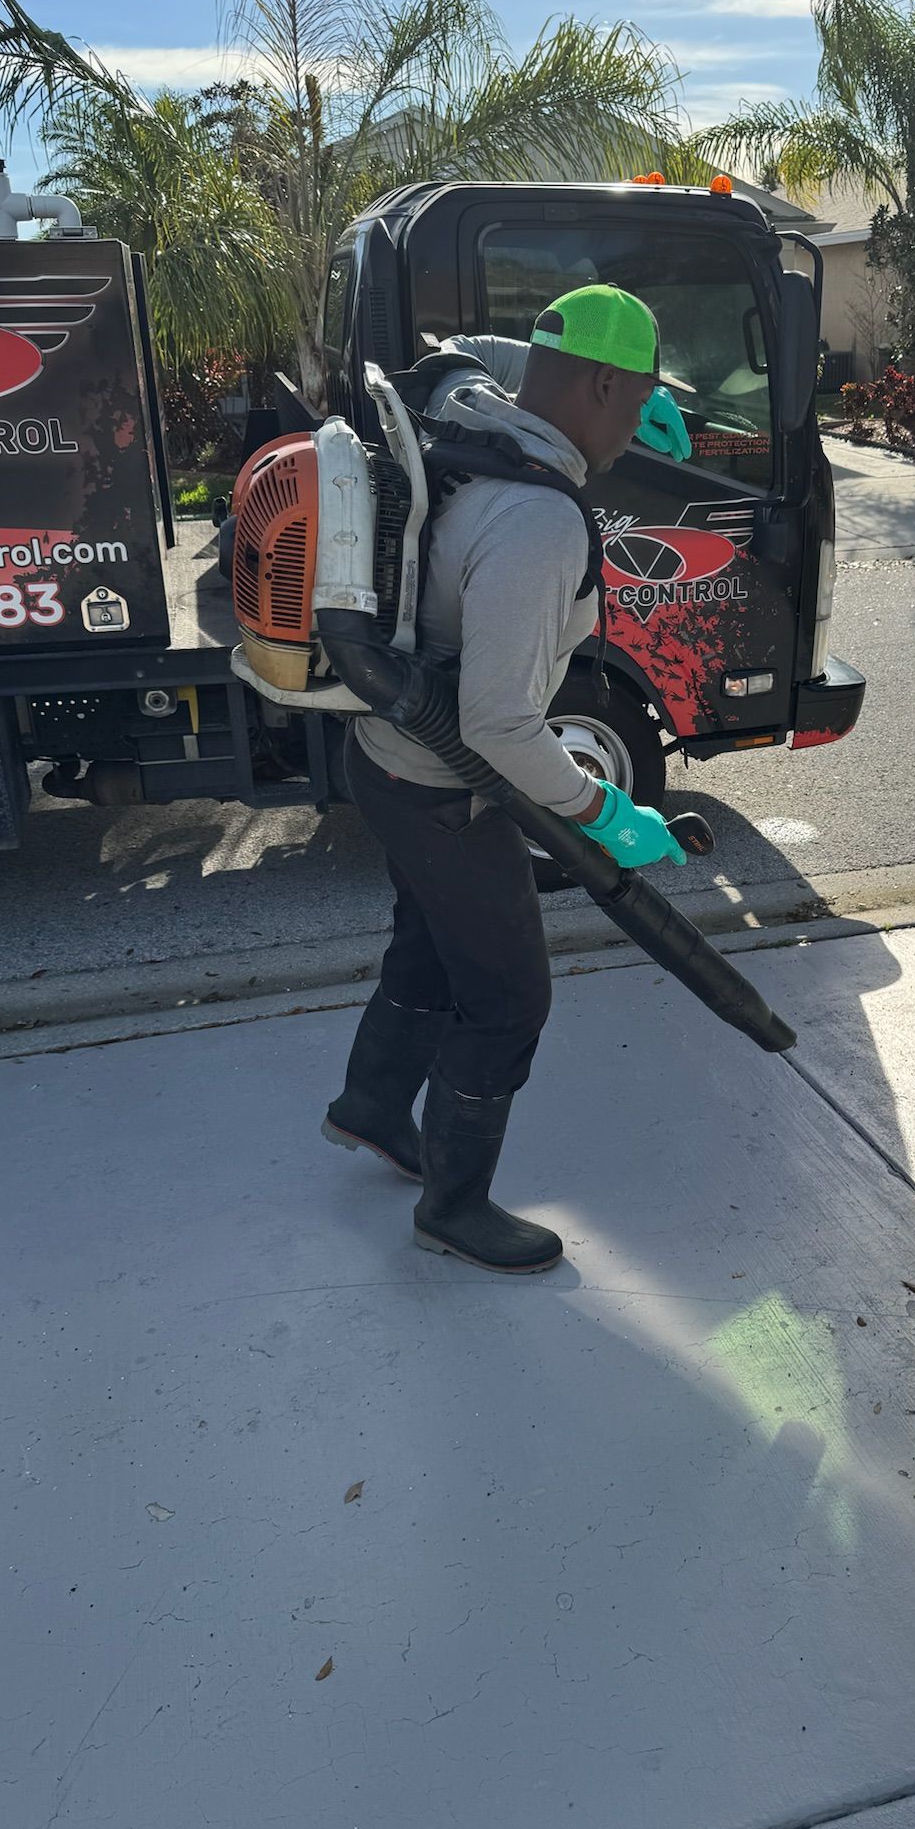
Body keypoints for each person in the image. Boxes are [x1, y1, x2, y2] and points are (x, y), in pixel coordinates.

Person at [323, 285, 689, 1276]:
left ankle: (369, 1105)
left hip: (386, 762)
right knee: (510, 995)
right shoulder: (539, 517)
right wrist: (601, 807)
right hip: (445, 785)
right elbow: (497, 723)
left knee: (431, 943)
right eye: (641, 397)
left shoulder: (475, 425)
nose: (637, 426)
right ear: (607, 386)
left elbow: (473, 346)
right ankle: (455, 1205)